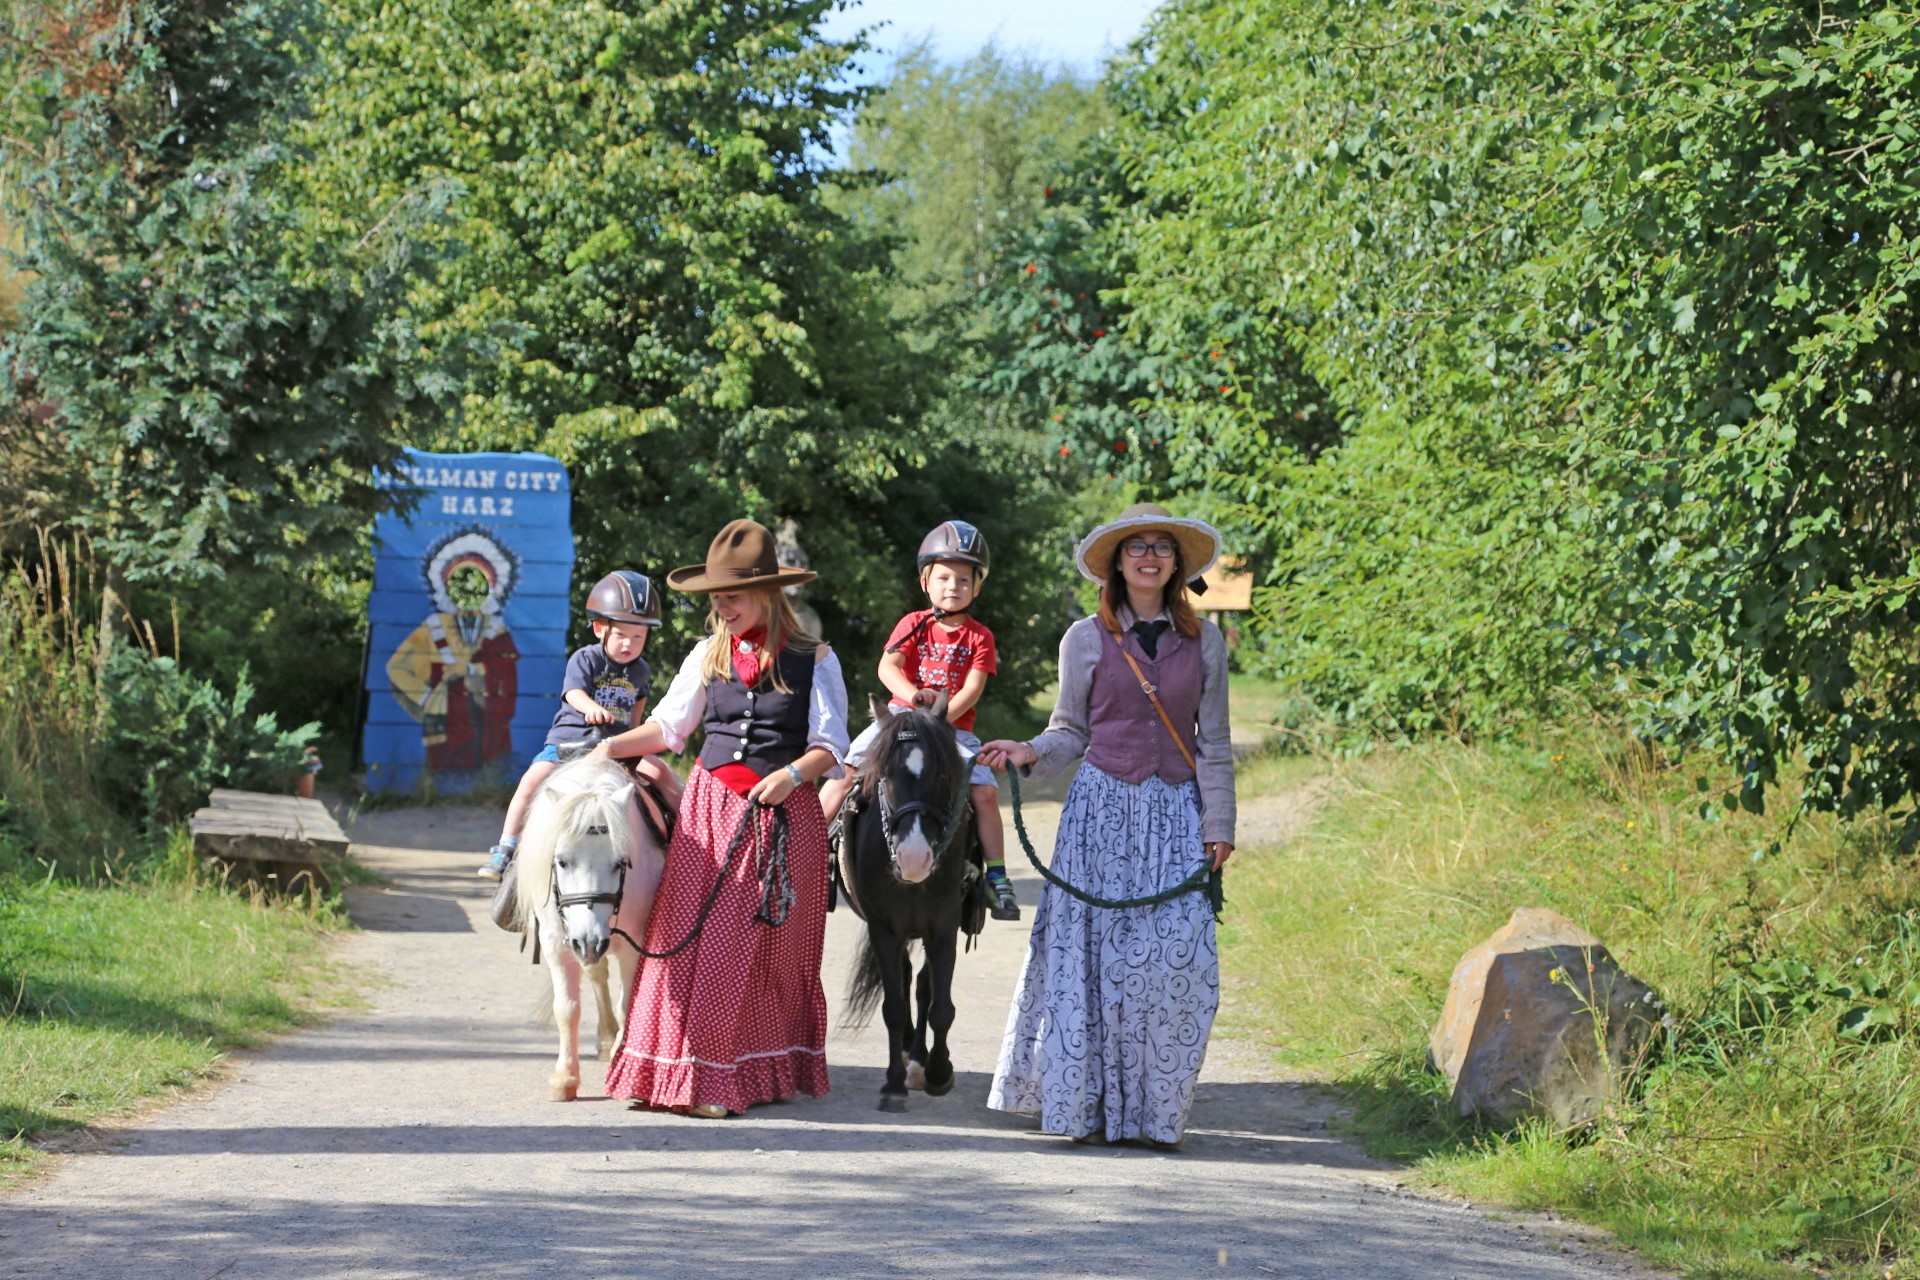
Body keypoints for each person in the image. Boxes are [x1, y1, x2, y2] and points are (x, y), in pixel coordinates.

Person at [978, 502, 1236, 1148]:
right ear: (1118, 564)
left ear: (1176, 564)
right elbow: (1070, 730)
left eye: (1161, 547)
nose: (1149, 556)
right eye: (1136, 547)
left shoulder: (1204, 642)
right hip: (1099, 812)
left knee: (1179, 963)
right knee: (1090, 962)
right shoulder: (1084, 638)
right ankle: (1085, 1107)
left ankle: (1153, 1115)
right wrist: (1030, 752)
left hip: (1174, 813)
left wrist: (1220, 824)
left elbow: (1216, 742)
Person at [592, 518, 849, 1118]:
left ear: (767, 591)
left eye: (731, 596)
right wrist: (608, 748)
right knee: (683, 942)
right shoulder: (707, 655)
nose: (722, 608)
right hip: (709, 810)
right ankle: (667, 1071)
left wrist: (790, 776)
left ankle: (733, 1076)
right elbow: (669, 728)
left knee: (760, 952)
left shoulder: (816, 658)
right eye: (716, 599)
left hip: (782, 818)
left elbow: (831, 746)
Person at [819, 519, 1018, 918]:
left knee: (984, 792)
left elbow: (973, 689)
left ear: (977, 587)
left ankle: (996, 874)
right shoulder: (913, 624)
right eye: (944, 577)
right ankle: (815, 852)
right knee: (845, 772)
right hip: (898, 719)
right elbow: (887, 668)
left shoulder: (980, 637)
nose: (953, 587)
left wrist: (940, 717)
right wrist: (912, 697)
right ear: (926, 581)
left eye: (964, 580)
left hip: (952, 727)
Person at [478, 570, 673, 880]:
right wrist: (592, 709)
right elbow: (573, 692)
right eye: (621, 634)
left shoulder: (641, 671)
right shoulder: (586, 659)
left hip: (616, 749)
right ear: (599, 628)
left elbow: (638, 707)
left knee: (659, 773)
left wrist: (637, 743)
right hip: (571, 743)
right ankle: (507, 846)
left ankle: (676, 846)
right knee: (532, 780)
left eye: (639, 636)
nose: (629, 643)